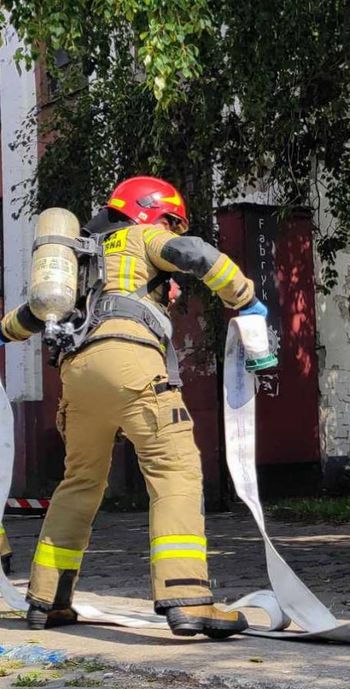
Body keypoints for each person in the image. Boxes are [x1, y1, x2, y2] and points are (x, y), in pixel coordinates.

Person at [0, 176, 269, 638]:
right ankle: (188, 598)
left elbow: (32, 314)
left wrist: (3, 333)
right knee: (175, 472)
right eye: (171, 221)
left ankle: (47, 600)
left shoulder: (81, 258)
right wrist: (246, 299)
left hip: (77, 377)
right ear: (151, 212)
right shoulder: (144, 235)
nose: (172, 229)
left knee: (79, 483)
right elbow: (197, 254)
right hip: (130, 363)